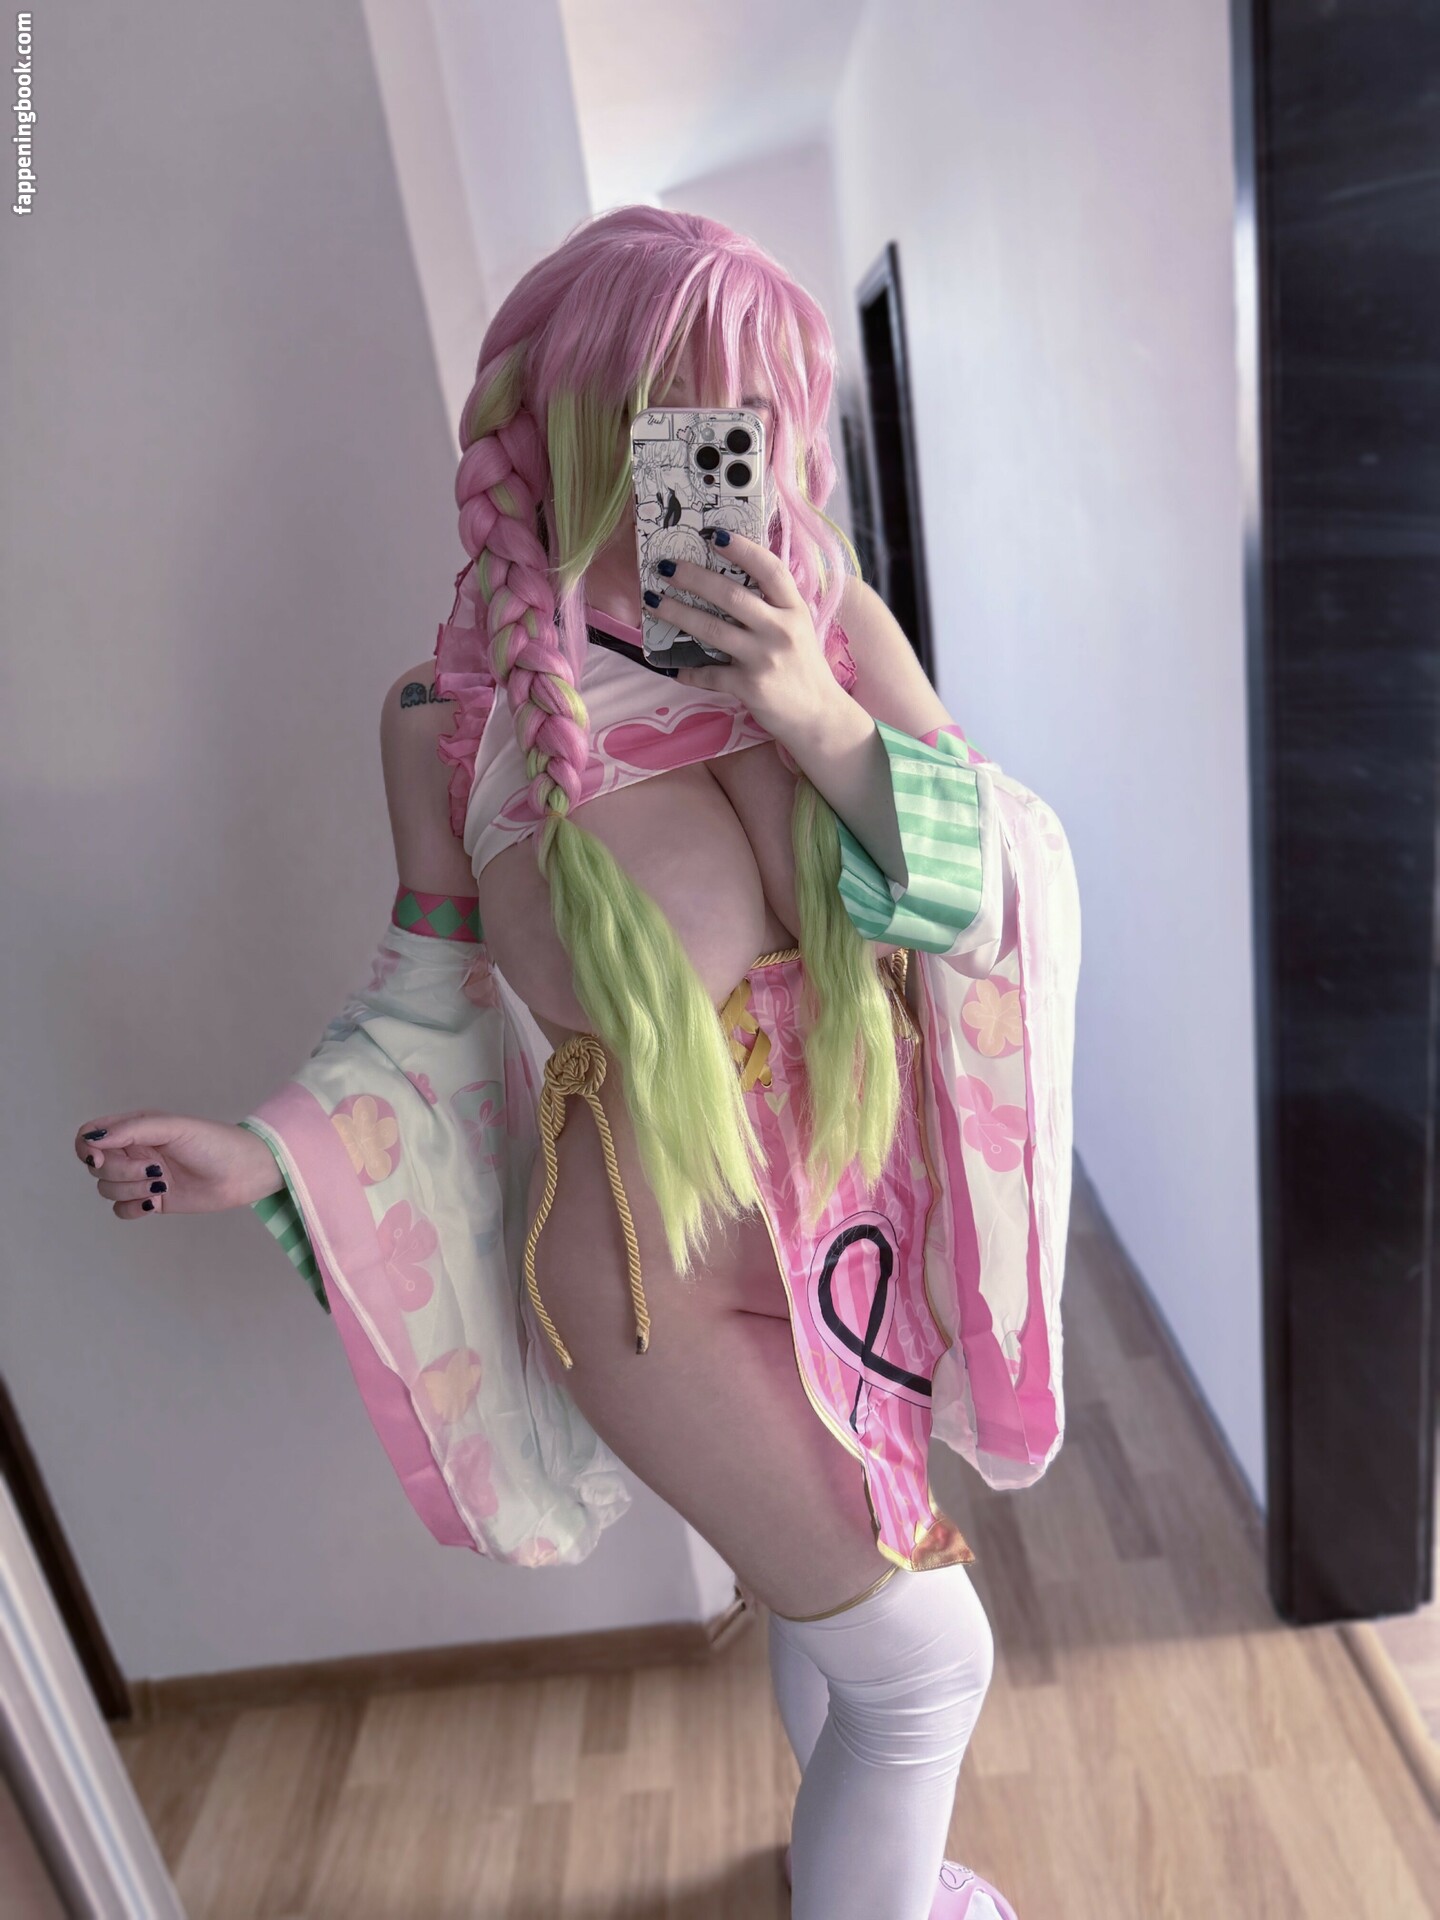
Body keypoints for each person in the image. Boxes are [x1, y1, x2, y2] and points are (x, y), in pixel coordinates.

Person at [73, 206, 1080, 1920]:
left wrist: (818, 717)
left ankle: (859, 1872)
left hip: (849, 1221)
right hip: (654, 1284)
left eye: (758, 412)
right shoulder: (446, 720)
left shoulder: (831, 628)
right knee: (925, 1664)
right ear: (587, 424)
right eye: (689, 412)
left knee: (829, 1593)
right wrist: (272, 1150)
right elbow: (426, 1003)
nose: (732, 455)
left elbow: (997, 889)